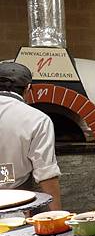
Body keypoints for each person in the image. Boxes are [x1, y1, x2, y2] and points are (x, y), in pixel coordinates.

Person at [0, 62, 61, 211]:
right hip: (15, 206)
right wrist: (58, 215)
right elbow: (46, 173)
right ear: (28, 89)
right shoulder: (37, 119)